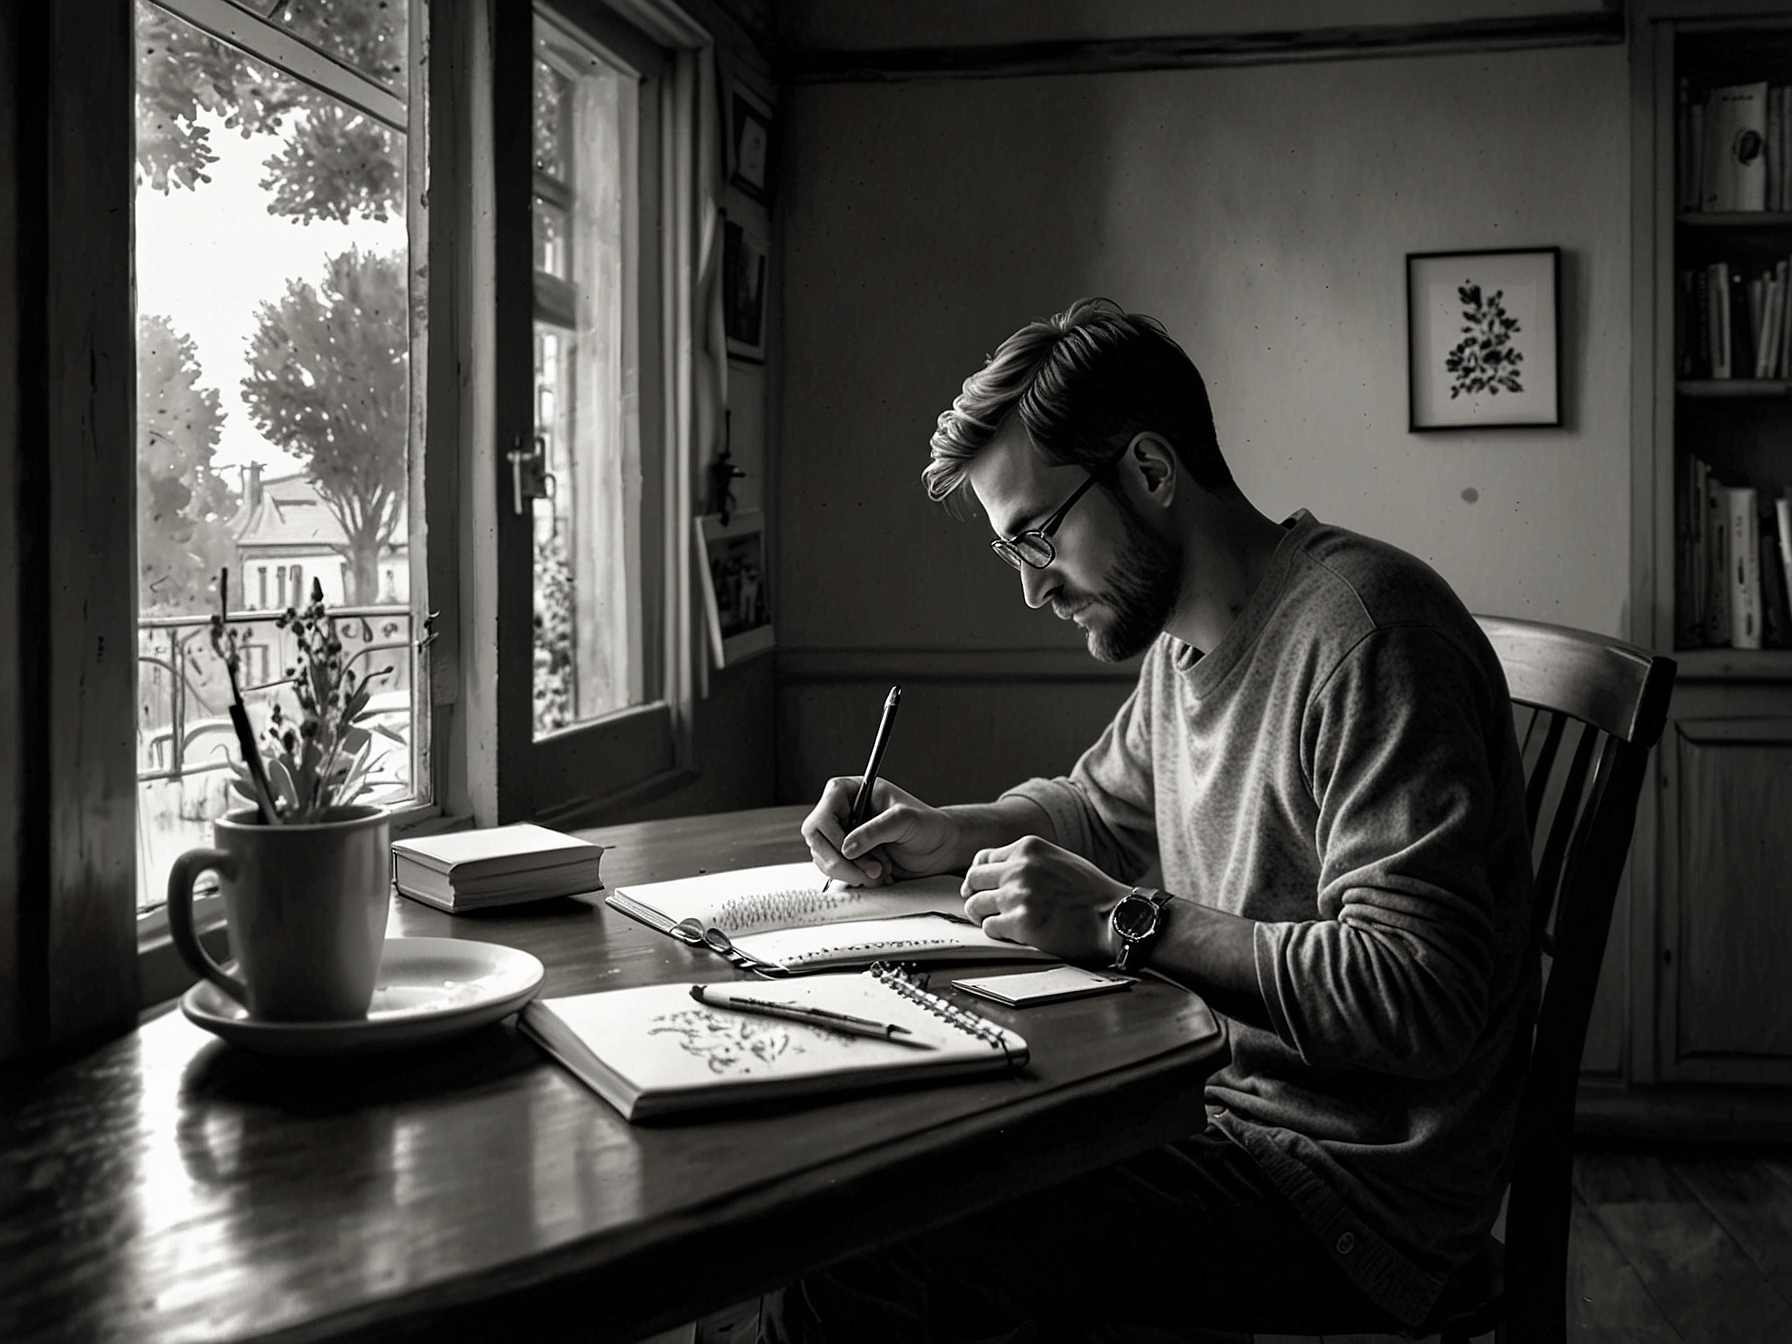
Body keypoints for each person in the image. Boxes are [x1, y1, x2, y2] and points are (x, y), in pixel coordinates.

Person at [759, 298, 1539, 1344]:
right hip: (1216, 1114)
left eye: (1038, 536)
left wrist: (1129, 921)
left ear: (1152, 473)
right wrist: (948, 831)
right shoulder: (1187, 644)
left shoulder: (1366, 637)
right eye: (1011, 554)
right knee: (877, 1186)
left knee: (869, 1234)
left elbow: (1416, 997)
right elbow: (1096, 808)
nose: (1032, 592)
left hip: (1352, 1199)